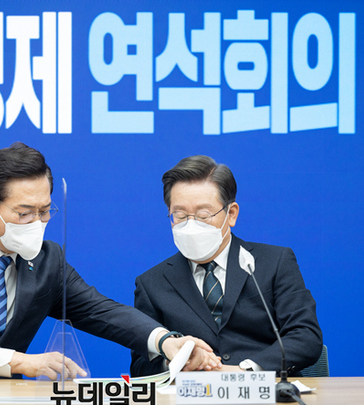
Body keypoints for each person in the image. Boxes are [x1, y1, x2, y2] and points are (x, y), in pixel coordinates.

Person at [0, 143, 220, 380]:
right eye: (24, 213)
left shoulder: (46, 259)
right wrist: (22, 362)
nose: (37, 223)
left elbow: (101, 311)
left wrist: (166, 341)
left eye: (45, 211)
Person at [131, 155, 322, 377]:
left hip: (266, 392)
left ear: (231, 214)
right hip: (191, 395)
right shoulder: (151, 283)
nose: (191, 225)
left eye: (203, 215)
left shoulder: (274, 262)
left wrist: (244, 371)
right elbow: (141, 366)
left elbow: (306, 336)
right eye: (180, 215)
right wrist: (175, 363)